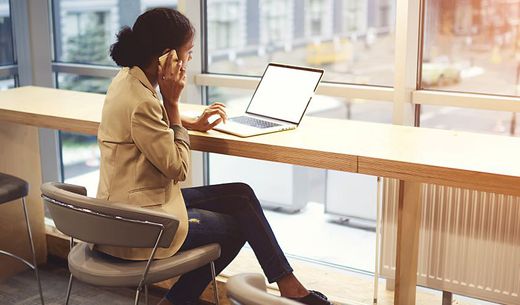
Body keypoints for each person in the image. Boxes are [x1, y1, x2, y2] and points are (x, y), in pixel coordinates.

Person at [97, 7, 332, 305]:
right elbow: (178, 168)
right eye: (188, 53)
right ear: (167, 57)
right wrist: (173, 104)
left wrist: (184, 121)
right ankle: (176, 302)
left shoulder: (127, 80)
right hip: (141, 222)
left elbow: (145, 130)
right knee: (236, 229)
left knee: (241, 196)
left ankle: (290, 286)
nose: (189, 61)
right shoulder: (144, 101)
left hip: (128, 204)